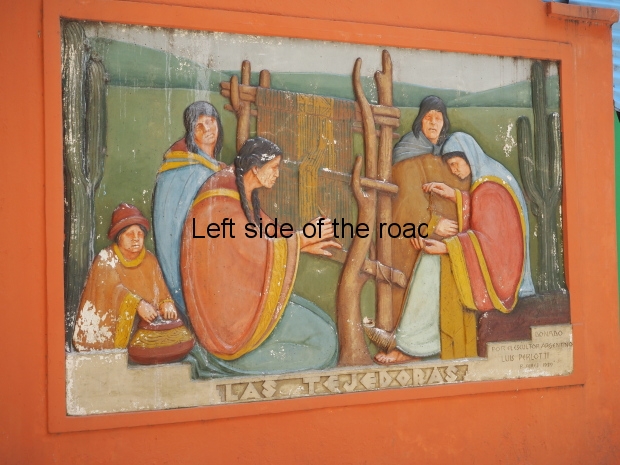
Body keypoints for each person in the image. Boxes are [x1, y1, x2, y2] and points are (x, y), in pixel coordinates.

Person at [367, 132, 535, 364]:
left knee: (432, 262)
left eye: (456, 164)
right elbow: (483, 217)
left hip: (499, 276)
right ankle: (412, 341)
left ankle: (412, 345)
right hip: (491, 264)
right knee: (433, 261)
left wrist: (447, 248)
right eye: (451, 166)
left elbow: (490, 241)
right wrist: (455, 196)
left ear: (469, 156)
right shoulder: (490, 180)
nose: (454, 171)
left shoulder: (489, 188)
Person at [180, 137, 340, 377]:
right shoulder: (220, 202)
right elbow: (252, 246)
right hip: (228, 324)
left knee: (325, 325)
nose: (277, 174)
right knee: (324, 343)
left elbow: (266, 232)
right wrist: (300, 240)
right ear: (255, 168)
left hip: (244, 302)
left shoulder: (237, 190)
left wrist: (302, 244)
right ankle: (216, 364)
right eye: (274, 167)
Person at [390, 96, 469, 324]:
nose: (433, 123)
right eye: (428, 118)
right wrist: (431, 225)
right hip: (414, 237)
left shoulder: (449, 152)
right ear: (420, 121)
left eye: (438, 118)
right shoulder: (407, 151)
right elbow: (408, 199)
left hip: (449, 242)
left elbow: (462, 187)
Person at [73, 203, 178, 351]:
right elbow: (112, 290)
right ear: (119, 237)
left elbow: (161, 291)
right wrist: (137, 304)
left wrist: (166, 303)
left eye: (140, 234)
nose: (136, 238)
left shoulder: (150, 260)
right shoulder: (105, 259)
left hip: (146, 334)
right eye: (130, 234)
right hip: (109, 338)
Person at [152, 101, 225, 314]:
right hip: (187, 267)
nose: (207, 129)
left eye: (210, 122)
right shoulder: (186, 171)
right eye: (199, 126)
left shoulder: (210, 167)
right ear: (191, 133)